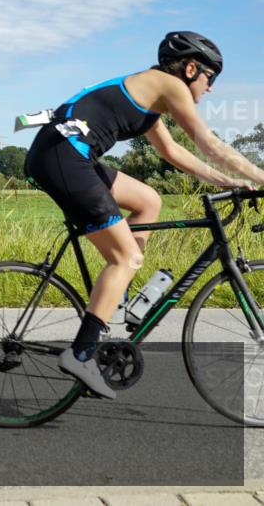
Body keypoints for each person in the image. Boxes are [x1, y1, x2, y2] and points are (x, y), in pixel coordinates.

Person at [24, 31, 264, 399]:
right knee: (128, 256)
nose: (211, 88)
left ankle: (115, 298)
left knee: (149, 201)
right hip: (65, 157)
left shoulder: (151, 94)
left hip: (68, 154)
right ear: (190, 68)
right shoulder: (170, 86)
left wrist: (228, 180)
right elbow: (208, 143)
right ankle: (82, 352)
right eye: (210, 78)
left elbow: (173, 153)